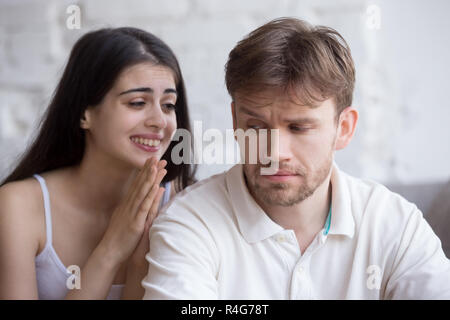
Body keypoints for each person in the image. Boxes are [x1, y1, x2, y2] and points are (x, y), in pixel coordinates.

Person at [142, 17, 450, 299]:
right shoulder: (189, 223)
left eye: (299, 127)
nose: (275, 153)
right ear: (236, 123)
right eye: (257, 127)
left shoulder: (392, 223)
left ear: (343, 128)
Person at [0, 27, 195, 299]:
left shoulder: (182, 201)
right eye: (138, 102)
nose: (159, 121)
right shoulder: (18, 206)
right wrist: (112, 248)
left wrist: (139, 265)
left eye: (169, 105)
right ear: (84, 114)